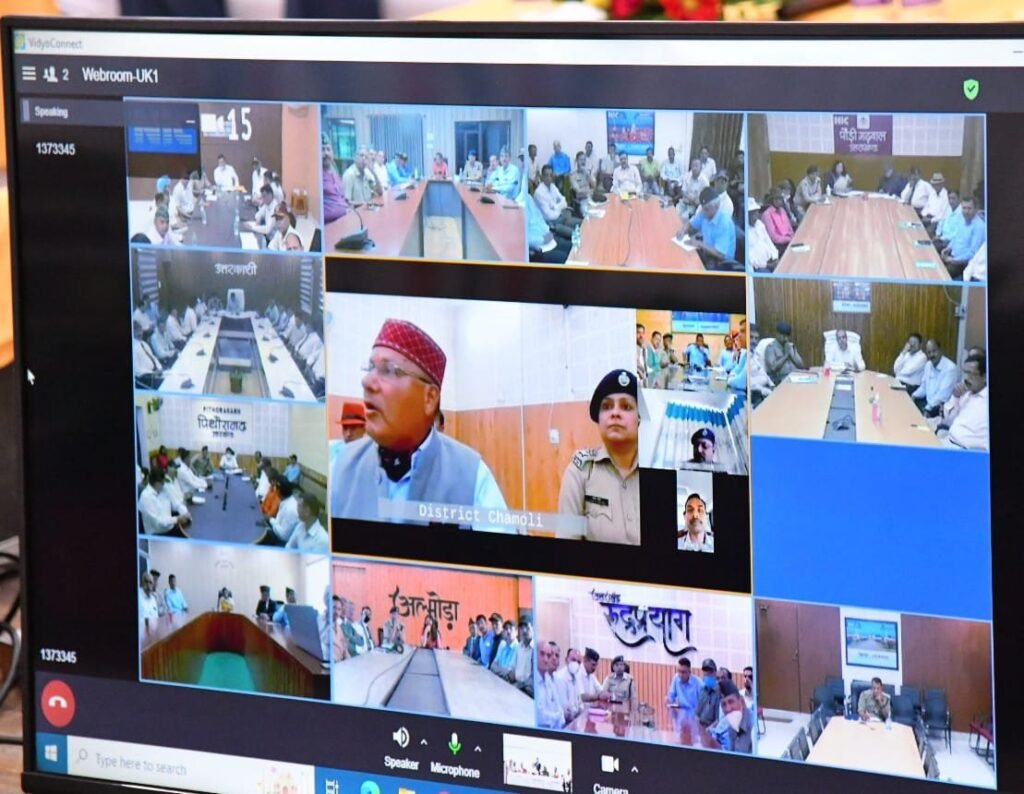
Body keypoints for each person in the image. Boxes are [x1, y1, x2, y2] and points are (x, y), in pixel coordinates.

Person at [331, 319, 509, 528]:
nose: (367, 382)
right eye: (370, 367)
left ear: (429, 398)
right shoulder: (340, 468)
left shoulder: (472, 476)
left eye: (388, 370)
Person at [559, 369, 641, 546]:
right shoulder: (580, 473)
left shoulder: (657, 470)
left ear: (640, 418)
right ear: (599, 419)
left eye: (626, 406)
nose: (615, 413)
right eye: (607, 406)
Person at [936, 353, 988, 450]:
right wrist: (955, 397)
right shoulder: (966, 394)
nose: (966, 378)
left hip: (966, 451)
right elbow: (946, 422)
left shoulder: (987, 402)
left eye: (971, 374)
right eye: (965, 373)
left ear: (984, 377)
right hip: (949, 441)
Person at [678, 188, 736, 265]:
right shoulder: (704, 213)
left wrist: (700, 244)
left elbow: (721, 254)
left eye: (707, 209)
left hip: (721, 263)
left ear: (717, 206)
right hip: (707, 252)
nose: (703, 212)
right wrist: (683, 231)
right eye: (703, 208)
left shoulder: (724, 222)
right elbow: (690, 224)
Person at [940, 196, 986, 279]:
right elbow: (955, 238)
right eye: (964, 208)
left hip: (964, 264)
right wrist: (948, 248)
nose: (966, 211)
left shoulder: (979, 227)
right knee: (936, 262)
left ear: (976, 209)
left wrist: (953, 260)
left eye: (969, 208)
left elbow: (972, 254)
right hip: (953, 256)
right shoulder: (962, 220)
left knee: (942, 274)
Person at [912, 339, 958, 417]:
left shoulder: (950, 368)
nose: (932, 355)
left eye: (934, 351)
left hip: (940, 409)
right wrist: (913, 395)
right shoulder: (928, 365)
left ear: (940, 350)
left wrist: (927, 409)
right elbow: (923, 387)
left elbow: (942, 397)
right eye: (929, 352)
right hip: (928, 403)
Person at [534, 165, 580, 240]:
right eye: (546, 175)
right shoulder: (539, 193)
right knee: (577, 235)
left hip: (562, 217)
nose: (549, 178)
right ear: (542, 177)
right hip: (552, 224)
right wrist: (560, 208)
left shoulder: (552, 186)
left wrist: (555, 207)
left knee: (582, 223)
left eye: (551, 175)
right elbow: (549, 216)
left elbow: (564, 201)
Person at [138, 469, 190, 535]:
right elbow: (159, 523)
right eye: (162, 482)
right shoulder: (146, 497)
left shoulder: (164, 489)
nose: (164, 484)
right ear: (157, 483)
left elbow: (176, 504)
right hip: (157, 535)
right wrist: (177, 519)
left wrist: (185, 513)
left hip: (170, 528)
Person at [526, 194, 572, 264]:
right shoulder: (512, 208)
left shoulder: (528, 197)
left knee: (572, 246)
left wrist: (548, 235)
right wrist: (543, 240)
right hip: (537, 249)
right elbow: (523, 240)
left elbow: (540, 220)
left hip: (548, 237)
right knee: (566, 257)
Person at [713, 679, 754, 754]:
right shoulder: (730, 725)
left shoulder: (754, 726)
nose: (728, 709)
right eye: (724, 704)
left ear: (741, 701)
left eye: (731, 702)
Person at [536, 642, 565, 729]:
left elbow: (559, 708)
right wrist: (557, 716)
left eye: (548, 655)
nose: (546, 659)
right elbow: (540, 717)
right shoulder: (534, 680)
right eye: (542, 654)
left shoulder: (548, 679)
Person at [321, 139, 350, 223]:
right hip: (328, 224)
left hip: (343, 219)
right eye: (322, 149)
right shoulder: (316, 176)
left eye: (328, 149)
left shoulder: (334, 172)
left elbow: (341, 198)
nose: (326, 153)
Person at [746, 197, 779, 271]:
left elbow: (768, 242)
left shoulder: (759, 224)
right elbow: (750, 259)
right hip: (760, 267)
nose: (755, 215)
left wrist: (775, 257)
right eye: (751, 213)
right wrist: (766, 265)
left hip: (771, 260)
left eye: (756, 212)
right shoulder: (745, 231)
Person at [554, 648, 585, 723]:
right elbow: (565, 709)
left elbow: (580, 703)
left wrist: (580, 711)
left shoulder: (577, 677)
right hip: (564, 723)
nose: (576, 664)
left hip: (575, 720)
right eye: (573, 660)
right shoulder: (560, 678)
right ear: (566, 660)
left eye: (578, 662)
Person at [268, 479, 300, 543]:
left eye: (275, 488)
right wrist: (271, 520)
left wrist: (270, 520)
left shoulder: (290, 509)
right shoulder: (287, 501)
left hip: (282, 542)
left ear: (278, 491)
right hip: (277, 532)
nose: (274, 489)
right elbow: (278, 521)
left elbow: (283, 536)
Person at [697, 658, 722, 727]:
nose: (707, 673)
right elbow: (697, 714)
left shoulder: (719, 692)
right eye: (705, 671)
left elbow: (718, 720)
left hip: (711, 728)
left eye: (710, 671)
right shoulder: (702, 690)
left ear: (715, 672)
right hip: (700, 726)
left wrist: (708, 730)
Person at [512, 619, 535, 695]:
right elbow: (514, 667)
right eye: (521, 628)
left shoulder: (535, 648)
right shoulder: (519, 647)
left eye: (527, 627)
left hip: (528, 689)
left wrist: (518, 686)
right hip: (517, 685)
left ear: (533, 629)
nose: (524, 631)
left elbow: (533, 677)